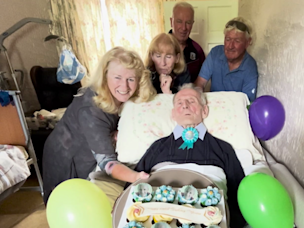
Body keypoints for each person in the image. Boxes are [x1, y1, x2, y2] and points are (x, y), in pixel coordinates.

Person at [42, 47, 155, 204]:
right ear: (105, 75)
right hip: (66, 155)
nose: (124, 86)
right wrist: (136, 177)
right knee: (68, 202)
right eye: (117, 77)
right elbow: (108, 163)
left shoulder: (123, 97)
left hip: (81, 145)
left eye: (131, 79)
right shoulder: (91, 110)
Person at [134, 83, 246, 227]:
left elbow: (240, 197)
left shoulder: (223, 149)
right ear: (173, 114)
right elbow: (134, 184)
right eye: (180, 103)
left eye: (192, 101)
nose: (185, 106)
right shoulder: (157, 147)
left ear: (204, 111)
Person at [195, 17, 258, 102]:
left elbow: (247, 102)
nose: (230, 46)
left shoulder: (250, 66)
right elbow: (200, 83)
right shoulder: (215, 53)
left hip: (234, 110)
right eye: (228, 39)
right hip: (213, 106)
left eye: (237, 41)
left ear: (247, 42)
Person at [169, 2, 205, 82]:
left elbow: (202, 82)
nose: (184, 28)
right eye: (179, 21)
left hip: (189, 93)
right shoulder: (158, 46)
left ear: (192, 24)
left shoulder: (198, 50)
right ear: (171, 21)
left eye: (188, 23)